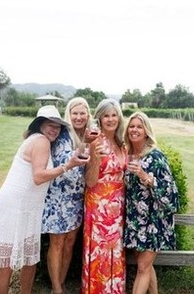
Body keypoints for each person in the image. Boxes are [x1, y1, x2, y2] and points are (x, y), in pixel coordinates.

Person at [0, 105, 88, 294]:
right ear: (39, 125)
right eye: (49, 125)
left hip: (28, 209)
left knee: (29, 261)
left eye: (57, 126)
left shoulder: (41, 141)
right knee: (7, 265)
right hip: (13, 208)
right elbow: (38, 176)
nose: (53, 129)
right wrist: (69, 165)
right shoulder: (41, 140)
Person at [41, 97, 96, 294]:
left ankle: (61, 282)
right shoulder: (64, 135)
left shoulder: (89, 134)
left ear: (88, 114)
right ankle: (57, 288)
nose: (79, 117)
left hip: (76, 199)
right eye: (75, 113)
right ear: (69, 115)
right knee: (57, 243)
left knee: (70, 243)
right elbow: (69, 162)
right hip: (58, 197)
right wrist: (85, 144)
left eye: (82, 113)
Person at [123, 111, 179, 294]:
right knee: (144, 265)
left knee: (142, 268)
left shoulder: (156, 157)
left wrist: (144, 176)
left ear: (146, 131)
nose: (134, 130)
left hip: (154, 220)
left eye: (139, 126)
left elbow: (171, 193)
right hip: (136, 220)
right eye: (132, 126)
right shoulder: (129, 153)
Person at [81, 98, 127, 294]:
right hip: (98, 205)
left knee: (115, 251)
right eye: (106, 115)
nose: (110, 119)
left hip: (118, 205)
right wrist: (96, 159)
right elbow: (90, 181)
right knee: (99, 251)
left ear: (119, 117)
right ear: (99, 118)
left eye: (114, 115)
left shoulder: (122, 142)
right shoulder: (95, 142)